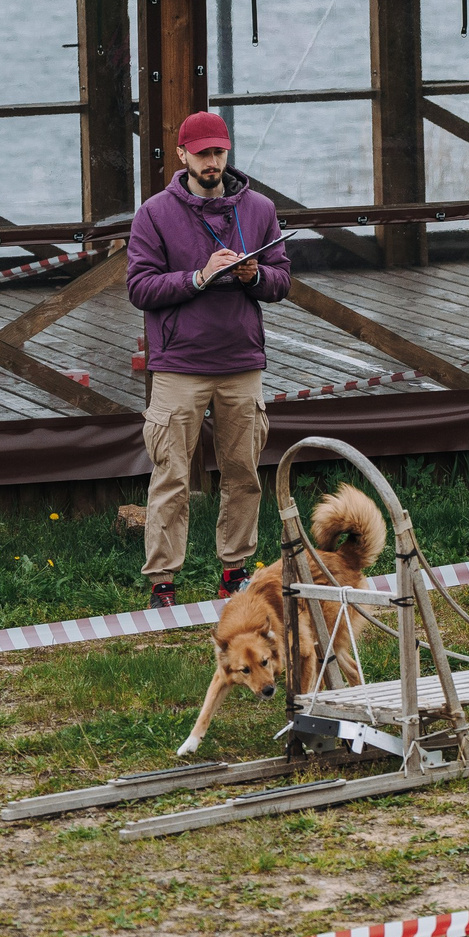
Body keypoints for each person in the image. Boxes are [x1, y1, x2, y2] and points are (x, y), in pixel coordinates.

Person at [125, 112, 293, 611]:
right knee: (171, 477)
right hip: (179, 365)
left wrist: (253, 275)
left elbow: (282, 281)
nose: (213, 161)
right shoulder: (154, 214)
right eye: (202, 154)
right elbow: (138, 287)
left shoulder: (260, 209)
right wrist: (197, 277)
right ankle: (163, 584)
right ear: (182, 156)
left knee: (244, 472)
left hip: (242, 362)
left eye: (219, 152)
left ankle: (234, 575)